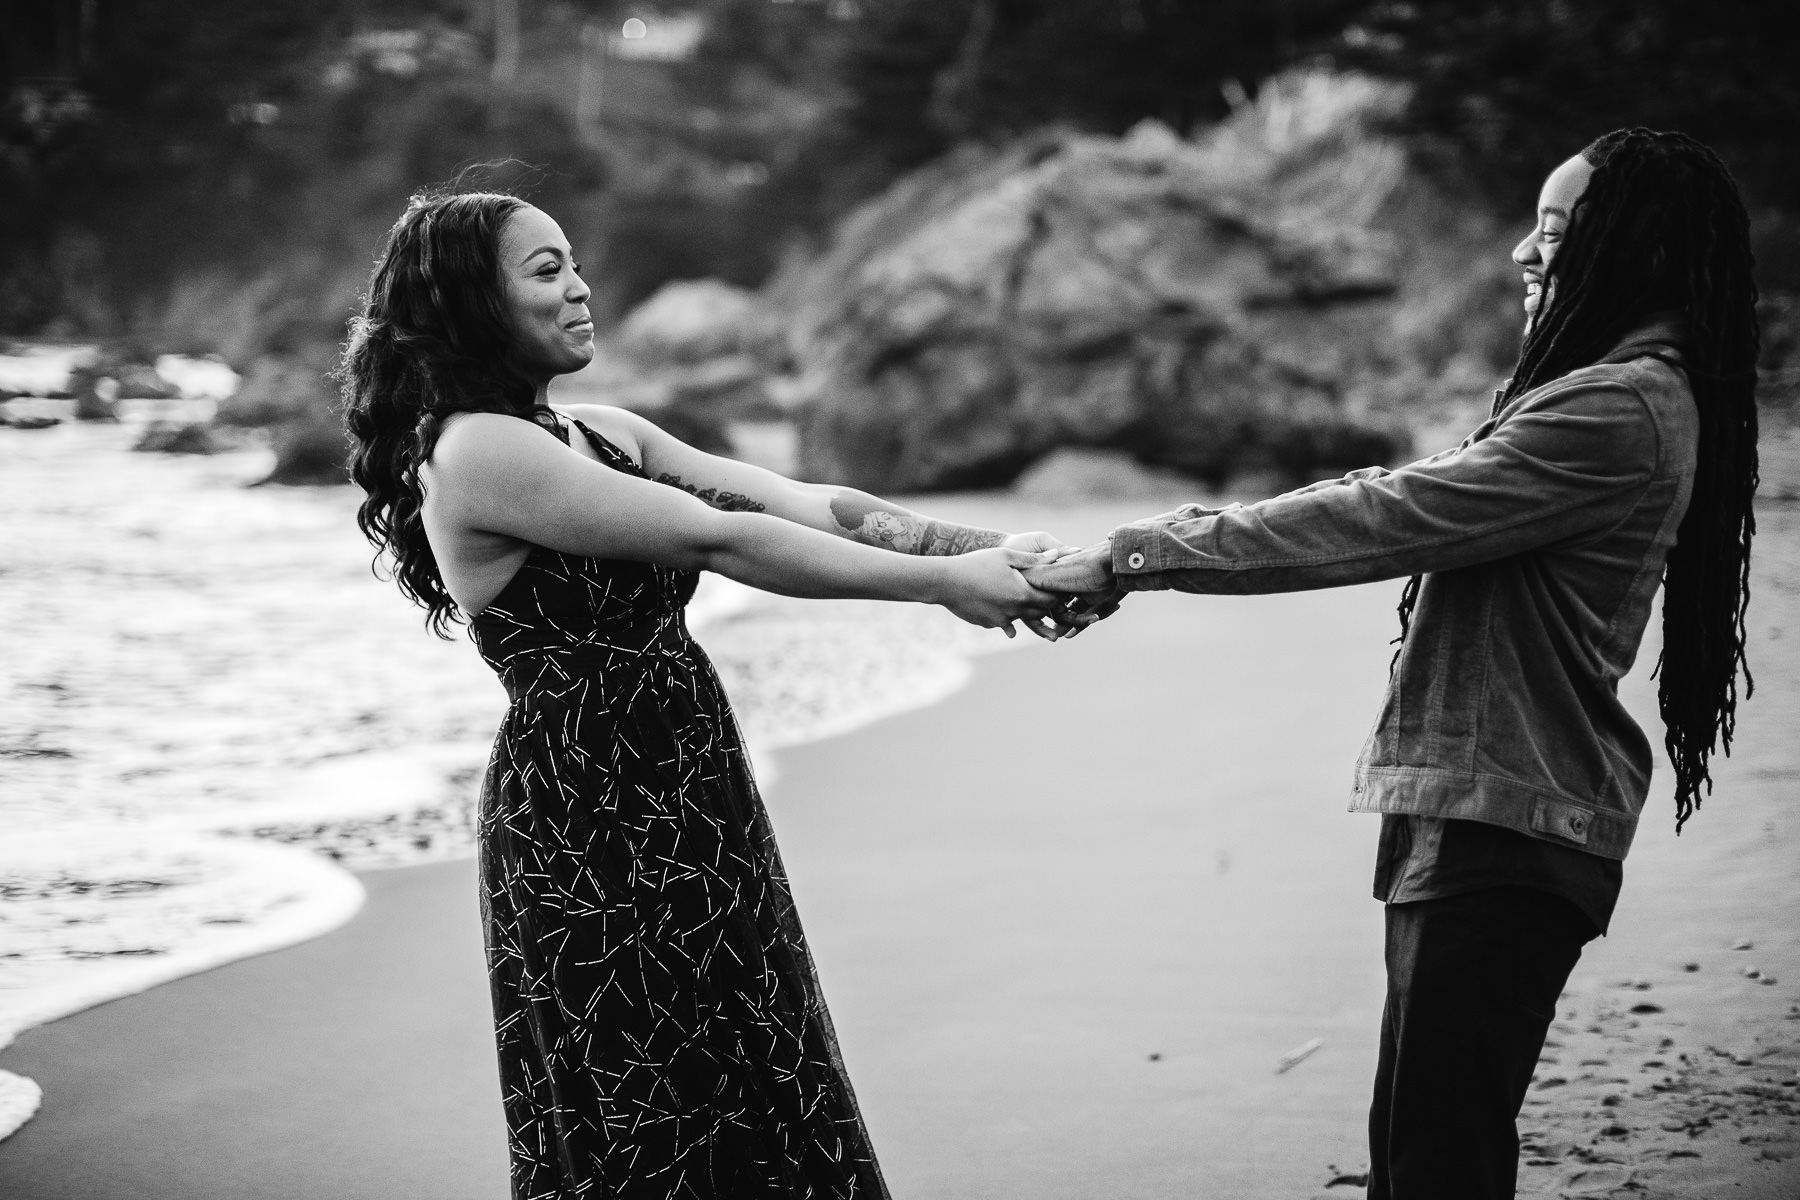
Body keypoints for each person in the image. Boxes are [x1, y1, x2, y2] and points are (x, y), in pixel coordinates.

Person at [1030, 127, 1760, 1197]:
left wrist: (1133, 551)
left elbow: (1385, 517)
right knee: (1422, 1150)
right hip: (1487, 813)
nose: (1522, 252)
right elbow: (1417, 491)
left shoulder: (1615, 408)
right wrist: (1141, 548)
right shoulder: (1603, 395)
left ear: (1631, 250)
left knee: (1435, 1163)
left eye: (1553, 232)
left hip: (1508, 821)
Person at [341, 189, 1066, 1199]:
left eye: (574, 260)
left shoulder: (604, 435)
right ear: (471, 303)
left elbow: (801, 505)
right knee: (652, 1108)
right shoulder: (476, 450)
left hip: (689, 784)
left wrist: (991, 553)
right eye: (544, 270)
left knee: (751, 1067)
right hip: (587, 815)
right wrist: (947, 589)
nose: (581, 286)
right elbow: (719, 538)